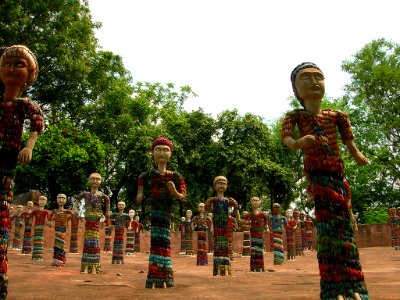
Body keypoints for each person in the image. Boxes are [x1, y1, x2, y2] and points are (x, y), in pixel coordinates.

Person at [281, 62, 369, 299]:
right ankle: (334, 287)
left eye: (318, 77)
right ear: (296, 90)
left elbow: (349, 142)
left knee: (344, 231)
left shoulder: (337, 117)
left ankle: (353, 284)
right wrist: (298, 143)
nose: (313, 81)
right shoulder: (295, 116)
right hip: (318, 179)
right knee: (329, 231)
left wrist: (357, 154)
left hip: (337, 177)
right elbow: (287, 138)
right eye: (306, 78)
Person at [0, 44, 44, 297]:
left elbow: (37, 123)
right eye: (8, 63)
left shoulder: (24, 104)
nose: (12, 68)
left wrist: (29, 146)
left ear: (29, 75)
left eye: (20, 64)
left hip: (6, 163)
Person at [136, 137, 186, 288]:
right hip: (155, 211)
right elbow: (139, 196)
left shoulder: (176, 176)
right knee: (156, 241)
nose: (162, 153)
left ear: (170, 153)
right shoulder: (146, 175)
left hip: (166, 212)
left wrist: (174, 191)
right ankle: (154, 275)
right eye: (158, 149)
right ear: (152, 153)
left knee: (164, 241)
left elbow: (183, 196)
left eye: (165, 150)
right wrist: (140, 195)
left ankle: (165, 274)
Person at [74, 172, 110, 274]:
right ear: (89, 180)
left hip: (96, 220)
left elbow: (108, 205)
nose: (95, 181)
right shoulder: (85, 194)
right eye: (93, 179)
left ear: (100, 181)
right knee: (88, 242)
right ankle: (86, 265)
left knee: (94, 242)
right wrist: (75, 210)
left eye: (97, 179)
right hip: (89, 219)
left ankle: (94, 265)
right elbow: (76, 202)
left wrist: (106, 215)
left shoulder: (103, 195)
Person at [204, 176, 240, 276]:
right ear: (215, 185)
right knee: (217, 245)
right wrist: (204, 219)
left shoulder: (229, 200)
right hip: (217, 226)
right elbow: (206, 210)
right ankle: (217, 268)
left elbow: (236, 208)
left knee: (225, 245)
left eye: (224, 183)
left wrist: (239, 220)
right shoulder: (212, 200)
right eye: (219, 183)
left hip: (225, 227)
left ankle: (225, 267)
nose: (222, 185)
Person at [242, 197, 269, 272]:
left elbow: (266, 221)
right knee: (253, 249)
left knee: (259, 250)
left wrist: (266, 227)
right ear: (251, 202)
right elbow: (243, 221)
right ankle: (253, 267)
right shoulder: (249, 214)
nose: (255, 202)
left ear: (259, 202)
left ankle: (261, 267)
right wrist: (246, 225)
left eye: (257, 201)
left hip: (260, 234)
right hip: (253, 233)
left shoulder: (262, 214)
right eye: (253, 201)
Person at [51, 194, 73, 267]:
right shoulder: (54, 211)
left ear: (66, 200)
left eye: (63, 198)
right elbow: (49, 220)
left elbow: (75, 215)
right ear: (56, 199)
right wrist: (49, 223)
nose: (61, 200)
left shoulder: (67, 211)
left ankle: (61, 260)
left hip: (63, 230)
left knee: (61, 245)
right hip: (57, 230)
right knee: (57, 245)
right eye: (59, 198)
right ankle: (56, 261)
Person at [31, 195, 51, 261]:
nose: (41, 201)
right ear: (38, 201)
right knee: (36, 240)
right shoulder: (35, 211)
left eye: (43, 200)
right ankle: (35, 255)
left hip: (41, 228)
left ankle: (39, 255)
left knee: (39, 240)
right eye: (40, 200)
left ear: (46, 202)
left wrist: (49, 223)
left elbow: (49, 220)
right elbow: (29, 216)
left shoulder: (46, 212)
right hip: (36, 227)